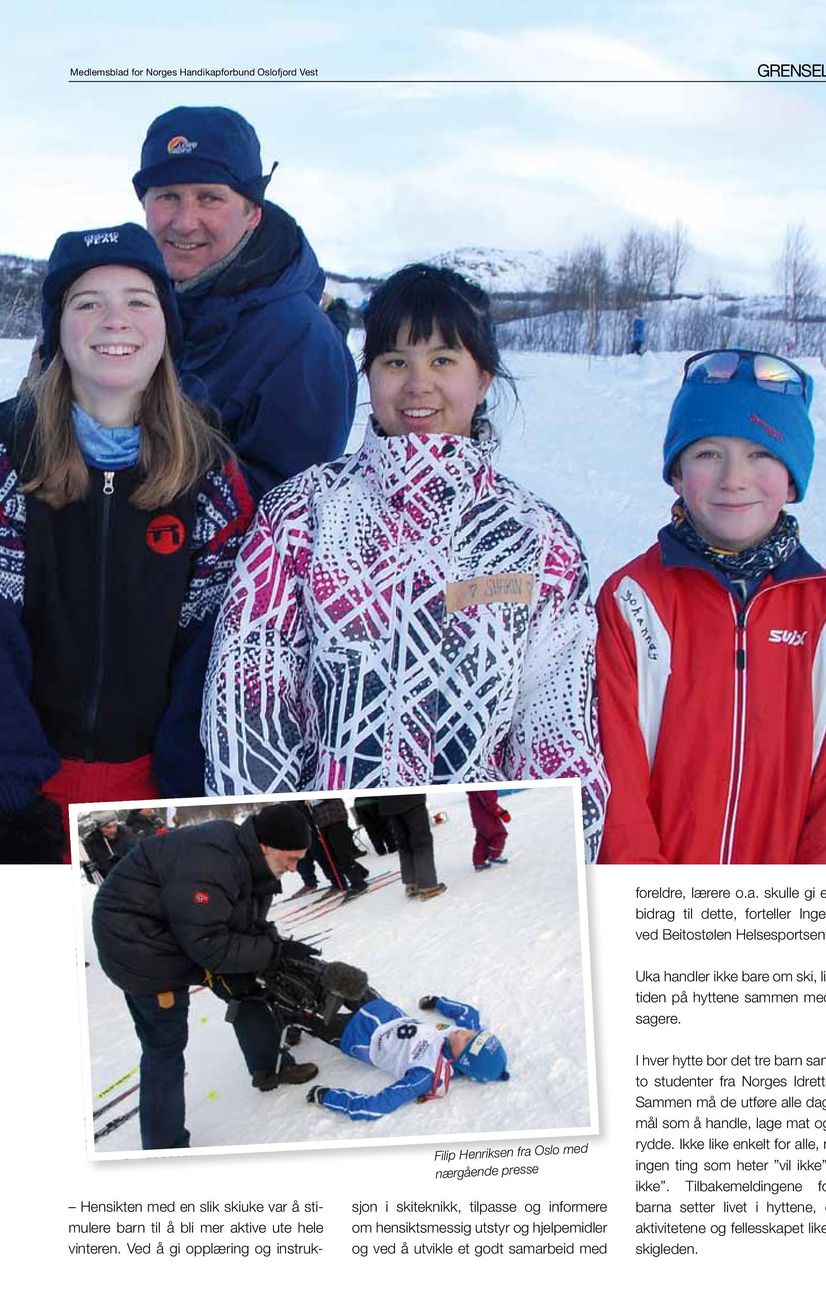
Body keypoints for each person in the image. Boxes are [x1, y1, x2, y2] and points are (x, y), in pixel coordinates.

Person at [203, 263, 609, 860]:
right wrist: (288, 841)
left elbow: (557, 722)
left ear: (484, 377)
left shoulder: (537, 538)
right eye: (396, 362)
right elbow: (247, 703)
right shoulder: (300, 515)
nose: (418, 385)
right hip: (349, 837)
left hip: (483, 852)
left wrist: (560, 861)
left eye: (443, 360)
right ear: (369, 375)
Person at [0, 223, 253, 864]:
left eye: (139, 300)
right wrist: (12, 786)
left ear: (166, 324)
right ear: (58, 328)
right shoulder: (7, 456)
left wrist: (184, 782)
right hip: (22, 781)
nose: (117, 320)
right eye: (88, 303)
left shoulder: (211, 474)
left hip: (151, 785)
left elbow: (214, 648)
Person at [596, 348, 826, 864]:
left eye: (761, 454)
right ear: (677, 473)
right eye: (707, 453)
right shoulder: (633, 600)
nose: (733, 478)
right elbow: (619, 796)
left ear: (791, 478)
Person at [133, 105, 357, 497]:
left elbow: (288, 515)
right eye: (168, 196)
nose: (184, 222)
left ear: (252, 211)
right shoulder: (115, 312)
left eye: (209, 199)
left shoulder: (302, 342)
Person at [91, 802, 320, 1150]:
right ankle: (163, 1148)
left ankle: (269, 1066)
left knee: (247, 986)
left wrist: (273, 944)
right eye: (291, 859)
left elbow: (239, 921)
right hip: (137, 945)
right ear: (265, 846)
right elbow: (210, 946)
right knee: (164, 1047)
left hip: (180, 929)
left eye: (299, 859)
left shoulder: (251, 860)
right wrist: (270, 950)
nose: (294, 868)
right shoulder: (212, 862)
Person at [305, 994, 509, 1121]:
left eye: (467, 1041)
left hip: (358, 1036)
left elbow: (378, 1106)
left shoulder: (427, 1073)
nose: (466, 1033)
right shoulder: (467, 1032)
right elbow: (468, 1011)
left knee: (302, 1012)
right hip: (385, 1011)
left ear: (461, 1061)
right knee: (335, 979)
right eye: (474, 1035)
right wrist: (436, 1002)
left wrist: (328, 1096)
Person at [378, 793, 445, 900]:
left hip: (388, 803)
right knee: (421, 841)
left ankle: (411, 883)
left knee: (403, 842)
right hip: (410, 799)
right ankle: (427, 886)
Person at [311, 797, 370, 901]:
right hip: (321, 821)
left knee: (342, 853)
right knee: (332, 855)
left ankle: (358, 883)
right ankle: (360, 871)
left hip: (335, 816)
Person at [82, 812, 138, 882]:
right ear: (99, 827)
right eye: (108, 827)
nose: (113, 830)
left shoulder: (127, 834)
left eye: (115, 825)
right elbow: (94, 879)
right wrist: (89, 871)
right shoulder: (91, 843)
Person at [468, 788, 510, 870]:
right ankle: (494, 855)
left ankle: (479, 861)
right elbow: (489, 803)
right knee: (499, 834)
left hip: (478, 817)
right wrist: (502, 813)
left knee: (483, 838)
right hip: (487, 816)